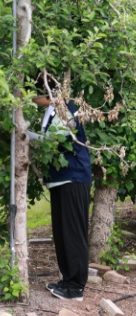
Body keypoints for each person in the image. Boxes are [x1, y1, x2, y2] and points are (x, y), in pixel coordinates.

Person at [29, 76, 92, 301]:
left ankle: (76, 287)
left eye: (33, 93)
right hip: (60, 179)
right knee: (62, 233)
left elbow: (52, 142)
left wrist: (22, 133)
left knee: (73, 233)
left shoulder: (67, 108)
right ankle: (67, 280)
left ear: (46, 93)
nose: (32, 98)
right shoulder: (51, 111)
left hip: (73, 178)